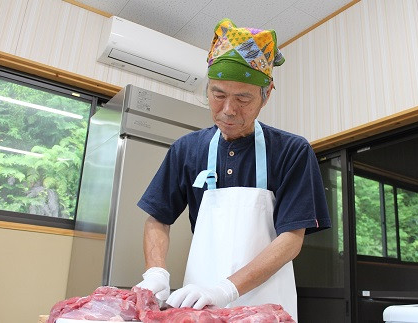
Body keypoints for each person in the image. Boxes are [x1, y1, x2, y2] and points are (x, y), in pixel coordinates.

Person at [136, 18, 331, 321]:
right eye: (218, 95)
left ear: (266, 97)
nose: (228, 109)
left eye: (243, 98)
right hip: (198, 301)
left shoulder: (293, 151)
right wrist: (156, 272)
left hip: (267, 303)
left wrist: (226, 290)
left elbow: (292, 237)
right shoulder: (186, 149)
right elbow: (158, 218)